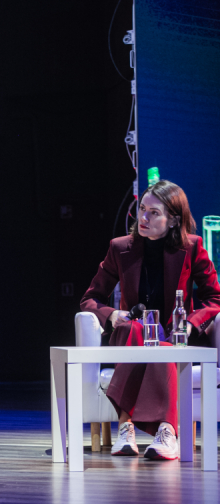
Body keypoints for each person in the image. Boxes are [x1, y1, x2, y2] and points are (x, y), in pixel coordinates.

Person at [81, 180, 220, 460]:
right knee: (132, 328)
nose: (143, 217)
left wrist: (190, 323)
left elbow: (214, 296)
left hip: (174, 336)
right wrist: (112, 315)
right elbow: (91, 298)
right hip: (131, 336)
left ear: (173, 220)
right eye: (142, 209)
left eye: (154, 213)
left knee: (165, 348)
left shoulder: (192, 247)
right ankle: (127, 430)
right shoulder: (120, 247)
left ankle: (166, 431)